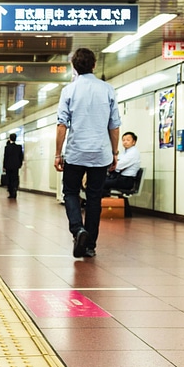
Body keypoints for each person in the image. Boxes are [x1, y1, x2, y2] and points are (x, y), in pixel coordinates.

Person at [54, 48, 121, 258]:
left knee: (71, 192)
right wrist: (114, 152)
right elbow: (115, 126)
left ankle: (78, 229)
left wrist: (58, 153)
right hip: (100, 153)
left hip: (76, 152)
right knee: (94, 198)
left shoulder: (69, 91)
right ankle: (90, 244)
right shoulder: (108, 90)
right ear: (94, 65)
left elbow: (61, 125)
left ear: (74, 67)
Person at [3, 133, 24, 198]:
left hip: (8, 165)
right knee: (15, 178)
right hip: (16, 165)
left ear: (10, 138)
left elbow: (5, 157)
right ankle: (15, 188)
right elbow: (21, 156)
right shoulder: (19, 147)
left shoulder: (7, 147)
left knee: (9, 178)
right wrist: (20, 164)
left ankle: (11, 192)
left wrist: (4, 166)